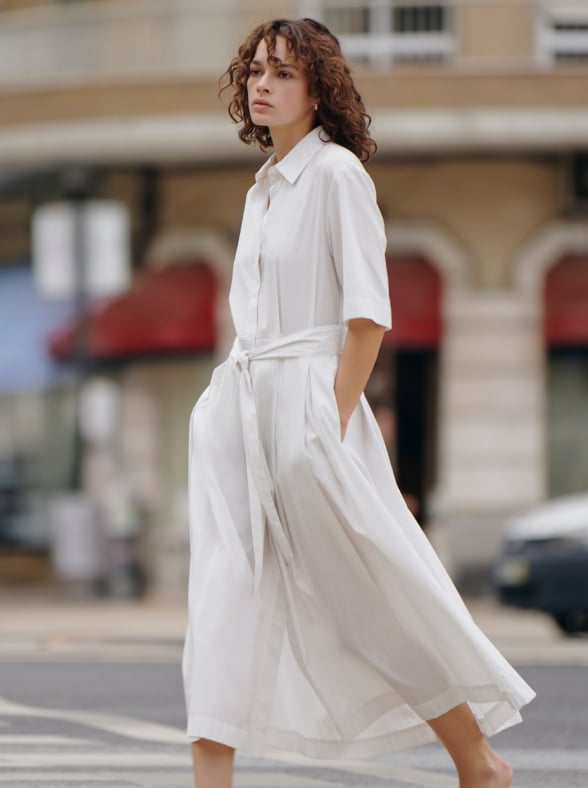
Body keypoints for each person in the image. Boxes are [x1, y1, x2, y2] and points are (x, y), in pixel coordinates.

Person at [182, 18, 535, 788]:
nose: (262, 84)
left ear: (318, 91)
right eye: (256, 72)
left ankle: (476, 760)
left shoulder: (338, 175)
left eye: (282, 73)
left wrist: (328, 422)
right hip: (242, 411)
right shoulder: (261, 191)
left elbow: (368, 317)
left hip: (308, 410)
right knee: (221, 596)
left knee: (366, 596)